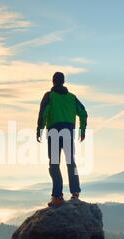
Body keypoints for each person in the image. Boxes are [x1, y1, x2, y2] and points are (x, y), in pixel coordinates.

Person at [36, 72, 88, 207]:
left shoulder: (49, 96)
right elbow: (83, 113)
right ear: (63, 82)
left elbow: (43, 113)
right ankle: (75, 193)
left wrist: (39, 129)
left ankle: (57, 196)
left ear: (53, 81)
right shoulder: (72, 97)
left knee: (54, 164)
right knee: (71, 163)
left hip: (54, 132)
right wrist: (82, 130)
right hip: (68, 132)